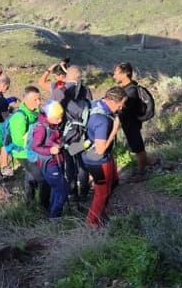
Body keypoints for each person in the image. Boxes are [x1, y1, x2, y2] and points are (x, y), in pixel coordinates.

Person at [81, 87, 126, 226]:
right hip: (98, 161)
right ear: (112, 101)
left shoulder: (97, 104)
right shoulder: (102, 121)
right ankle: (92, 223)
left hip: (89, 154)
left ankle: (102, 213)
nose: (122, 107)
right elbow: (100, 150)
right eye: (121, 104)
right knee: (102, 192)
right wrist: (114, 130)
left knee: (113, 181)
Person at [28, 101, 69, 219]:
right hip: (49, 163)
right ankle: (55, 216)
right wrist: (50, 150)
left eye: (61, 117)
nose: (60, 120)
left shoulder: (51, 125)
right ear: (50, 116)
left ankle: (54, 214)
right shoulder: (41, 128)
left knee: (57, 189)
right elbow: (35, 146)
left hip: (56, 161)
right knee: (63, 190)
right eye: (57, 118)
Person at [6, 86, 46, 206]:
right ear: (25, 100)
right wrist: (37, 137)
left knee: (30, 177)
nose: (39, 102)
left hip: (35, 151)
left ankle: (29, 203)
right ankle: (43, 207)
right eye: (35, 100)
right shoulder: (19, 117)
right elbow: (18, 141)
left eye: (39, 99)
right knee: (41, 179)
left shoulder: (36, 112)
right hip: (24, 153)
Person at [112, 62, 151, 180]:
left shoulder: (131, 91)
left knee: (138, 147)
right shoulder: (126, 89)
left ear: (125, 74)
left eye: (116, 73)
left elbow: (126, 109)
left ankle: (141, 172)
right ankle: (145, 165)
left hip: (132, 123)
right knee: (136, 147)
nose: (114, 76)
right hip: (128, 123)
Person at [62, 67, 93, 202]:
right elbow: (90, 109)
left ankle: (72, 192)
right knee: (82, 163)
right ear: (78, 77)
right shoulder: (86, 90)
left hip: (67, 134)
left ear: (68, 75)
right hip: (82, 134)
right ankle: (84, 192)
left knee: (69, 163)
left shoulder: (61, 91)